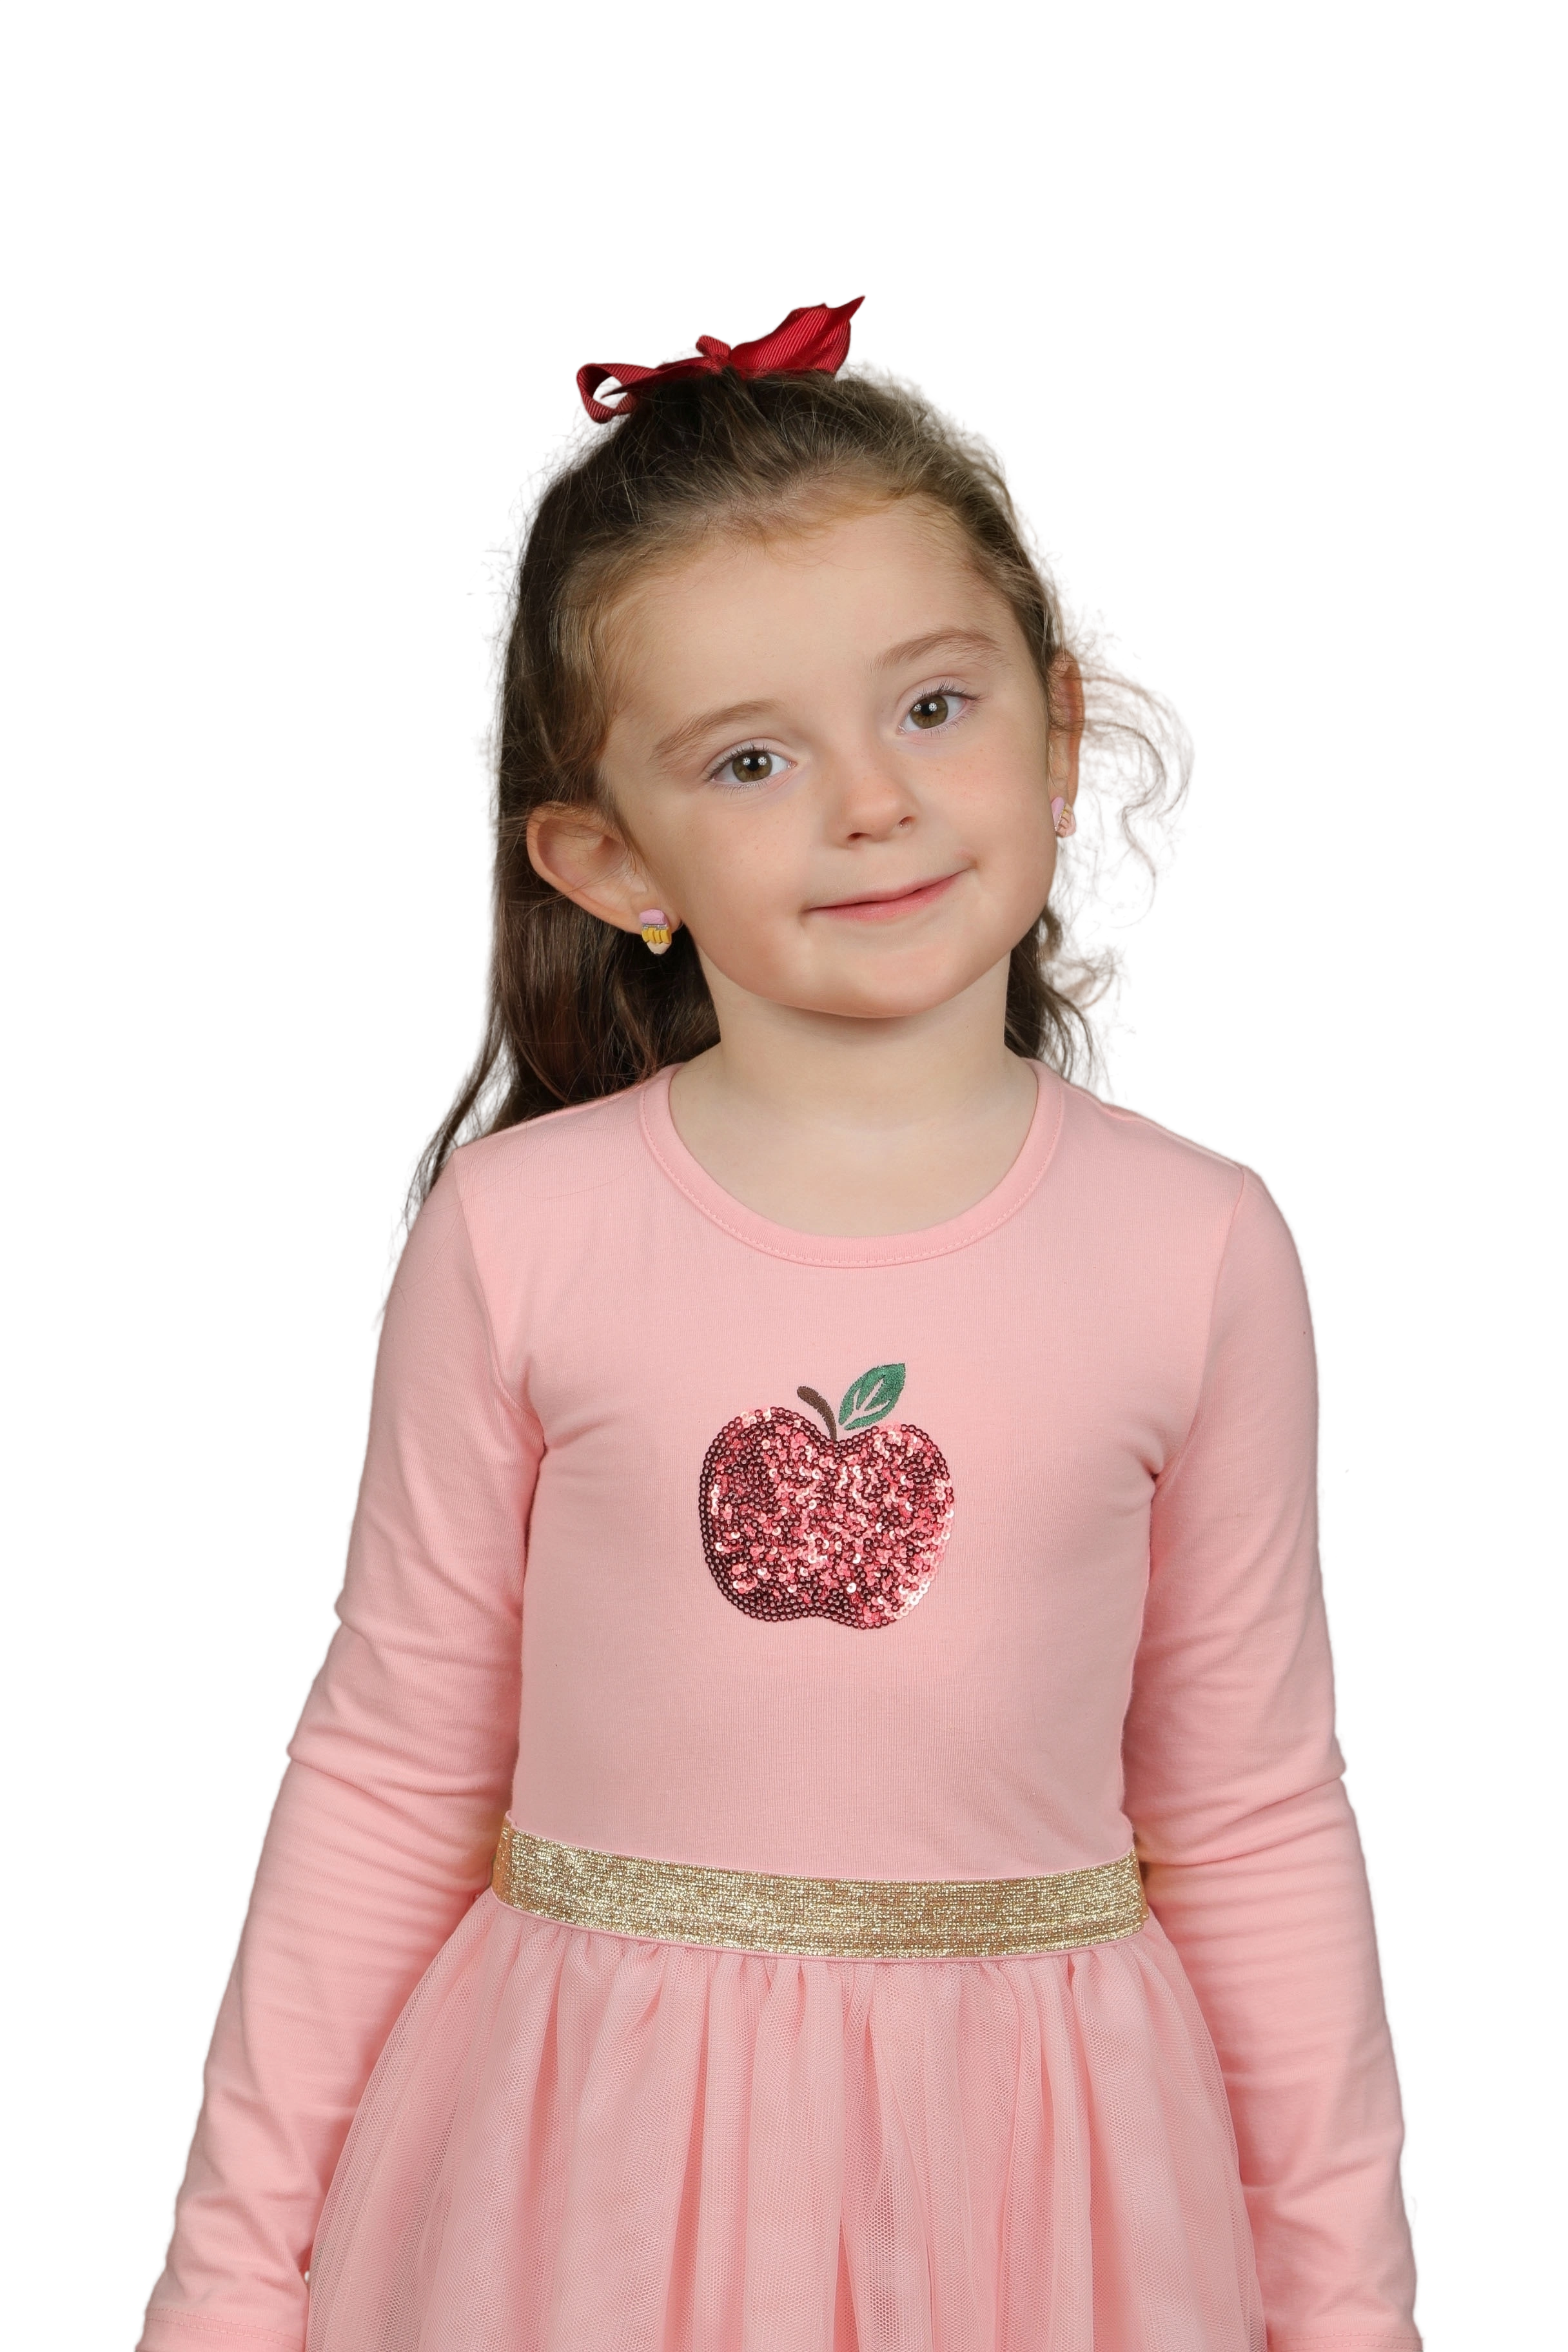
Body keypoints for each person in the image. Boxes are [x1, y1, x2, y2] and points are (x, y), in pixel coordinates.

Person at [132, 290, 1427, 2352]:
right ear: (610, 859)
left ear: (1060, 733)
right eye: (752, 756)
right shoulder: (524, 1234)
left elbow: (1254, 1812)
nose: (870, 803)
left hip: (1051, 2204)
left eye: (933, 707)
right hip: (592, 2188)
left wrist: (1349, 2312)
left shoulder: (1198, 1250)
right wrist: (227, 2282)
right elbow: (391, 1772)